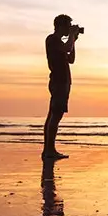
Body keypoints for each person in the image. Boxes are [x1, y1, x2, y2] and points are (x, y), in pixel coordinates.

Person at [43, 14, 78, 160]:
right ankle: (49, 150)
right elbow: (66, 47)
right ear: (61, 26)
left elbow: (71, 59)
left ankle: (49, 150)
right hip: (58, 81)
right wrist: (71, 37)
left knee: (54, 114)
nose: (69, 28)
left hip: (63, 81)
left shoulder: (61, 43)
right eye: (68, 26)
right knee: (55, 116)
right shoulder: (52, 39)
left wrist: (74, 40)